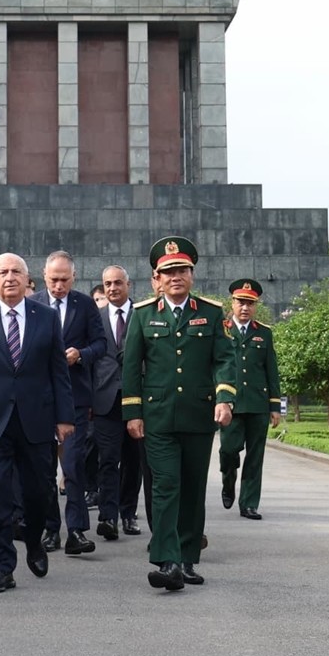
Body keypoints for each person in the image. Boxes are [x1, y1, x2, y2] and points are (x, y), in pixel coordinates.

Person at [0, 253, 74, 593]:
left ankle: (34, 539)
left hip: (37, 420)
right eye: (2, 272)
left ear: (27, 279)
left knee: (39, 492)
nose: (9, 277)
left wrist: (65, 417)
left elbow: (58, 372)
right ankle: (2, 565)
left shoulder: (46, 318)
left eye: (16, 272)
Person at [122, 236, 235, 590]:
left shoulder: (211, 313)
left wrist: (225, 397)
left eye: (181, 270)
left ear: (192, 274)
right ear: (156, 279)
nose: (175, 277)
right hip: (157, 418)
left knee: (192, 488)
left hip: (199, 417)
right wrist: (133, 412)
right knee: (166, 485)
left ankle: (187, 559)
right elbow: (130, 367)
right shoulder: (142, 315)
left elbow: (225, 359)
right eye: (167, 272)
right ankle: (167, 560)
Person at [32, 250, 106, 555]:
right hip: (37, 398)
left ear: (73, 277)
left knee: (73, 465)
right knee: (44, 468)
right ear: (44, 276)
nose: (58, 285)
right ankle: (51, 529)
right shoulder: (32, 304)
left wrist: (81, 354)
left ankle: (76, 530)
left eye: (64, 280)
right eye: (53, 279)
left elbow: (101, 344)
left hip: (74, 396)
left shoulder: (85, 305)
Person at [219, 279, 282, 520]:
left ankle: (249, 503)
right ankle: (228, 480)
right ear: (232, 303)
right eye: (241, 302)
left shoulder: (263, 333)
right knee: (228, 451)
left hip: (257, 403)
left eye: (250, 303)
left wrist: (274, 406)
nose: (245, 308)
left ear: (255, 306)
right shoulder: (222, 329)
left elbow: (271, 371)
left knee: (255, 456)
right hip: (231, 405)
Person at [91, 265, 143, 538]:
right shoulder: (94, 318)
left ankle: (128, 514)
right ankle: (107, 517)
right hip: (104, 400)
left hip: (138, 401)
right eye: (107, 284)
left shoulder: (143, 314)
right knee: (108, 460)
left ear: (128, 284)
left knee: (134, 462)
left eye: (117, 283)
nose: (112, 288)